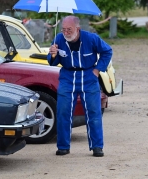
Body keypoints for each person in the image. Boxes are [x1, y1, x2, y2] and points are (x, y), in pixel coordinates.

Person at [47, 16, 113, 157]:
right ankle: (63, 146)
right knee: (63, 112)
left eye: (69, 29)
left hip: (88, 77)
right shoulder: (58, 39)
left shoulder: (91, 38)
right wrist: (52, 55)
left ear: (78, 29)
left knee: (93, 113)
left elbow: (107, 51)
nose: (66, 32)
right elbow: (52, 62)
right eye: (64, 29)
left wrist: (97, 70)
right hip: (67, 78)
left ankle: (97, 146)